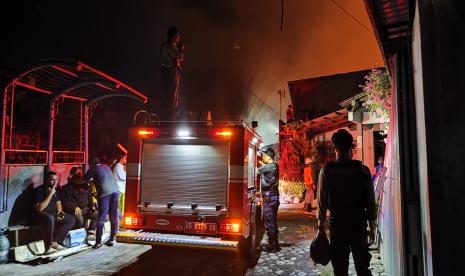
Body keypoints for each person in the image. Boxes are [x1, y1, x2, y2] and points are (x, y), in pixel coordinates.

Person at [316, 129, 377, 275]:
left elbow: (322, 200)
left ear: (334, 148)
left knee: (340, 269)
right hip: (358, 224)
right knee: (362, 267)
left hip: (337, 225)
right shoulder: (363, 171)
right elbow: (370, 200)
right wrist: (372, 225)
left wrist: (320, 226)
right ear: (352, 147)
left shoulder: (327, 170)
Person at [32, 171, 75, 255]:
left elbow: (58, 203)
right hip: (41, 216)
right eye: (52, 180)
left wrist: (59, 213)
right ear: (46, 180)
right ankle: (47, 248)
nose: (55, 182)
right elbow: (40, 208)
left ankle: (56, 241)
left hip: (53, 214)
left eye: (56, 179)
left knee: (70, 219)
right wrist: (50, 195)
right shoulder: (39, 190)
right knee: (50, 218)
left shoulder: (55, 190)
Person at [83, 156, 119, 249]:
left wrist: (71, 180)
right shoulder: (106, 166)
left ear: (91, 163)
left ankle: (98, 242)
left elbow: (83, 180)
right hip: (115, 191)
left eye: (89, 163)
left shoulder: (93, 168)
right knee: (113, 216)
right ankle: (112, 238)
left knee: (101, 217)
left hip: (105, 193)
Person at [61, 166, 97, 235]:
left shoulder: (85, 185)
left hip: (85, 209)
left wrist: (92, 206)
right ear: (72, 175)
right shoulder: (67, 187)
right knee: (80, 219)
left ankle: (91, 231)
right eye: (78, 173)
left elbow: (89, 197)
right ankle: (79, 236)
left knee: (96, 214)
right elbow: (65, 201)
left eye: (80, 173)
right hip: (73, 210)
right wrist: (75, 207)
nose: (80, 174)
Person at [258, 148, 280, 253]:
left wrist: (261, 168)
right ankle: (275, 242)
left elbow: (258, 171)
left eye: (264, 155)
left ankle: (273, 246)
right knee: (273, 221)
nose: (262, 157)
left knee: (269, 221)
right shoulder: (275, 165)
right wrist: (263, 164)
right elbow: (267, 167)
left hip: (269, 197)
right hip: (274, 197)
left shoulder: (268, 167)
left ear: (268, 157)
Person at [160, 26, 184, 120]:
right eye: (177, 35)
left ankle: (169, 116)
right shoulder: (170, 45)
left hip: (169, 71)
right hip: (170, 71)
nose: (179, 37)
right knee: (171, 94)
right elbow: (180, 57)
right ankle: (169, 118)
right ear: (173, 36)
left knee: (171, 94)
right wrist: (181, 49)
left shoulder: (166, 45)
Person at [112, 154, 127, 222]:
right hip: (118, 189)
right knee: (118, 206)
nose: (126, 160)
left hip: (121, 189)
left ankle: (120, 221)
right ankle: (119, 221)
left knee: (121, 206)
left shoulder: (122, 167)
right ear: (121, 159)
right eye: (125, 158)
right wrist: (126, 171)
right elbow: (123, 177)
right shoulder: (118, 166)